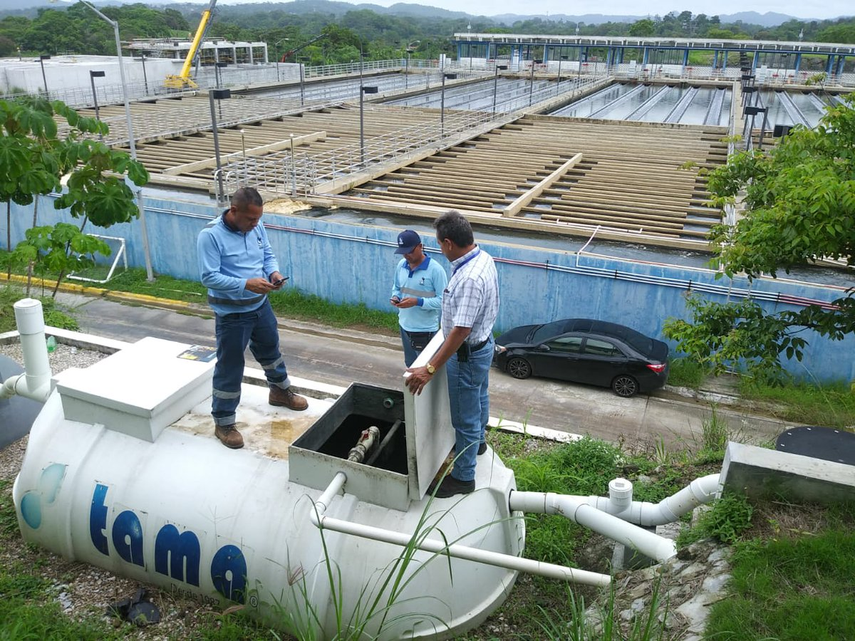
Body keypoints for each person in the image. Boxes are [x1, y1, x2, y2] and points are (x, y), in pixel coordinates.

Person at [197, 187, 308, 450]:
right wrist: (245, 284)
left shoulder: (256, 227)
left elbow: (267, 255)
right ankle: (223, 422)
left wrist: (274, 274)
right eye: (250, 219)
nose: (255, 224)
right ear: (234, 211)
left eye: (258, 219)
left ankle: (280, 391)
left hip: (260, 306)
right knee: (230, 365)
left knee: (271, 350)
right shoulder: (210, 236)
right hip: (232, 314)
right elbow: (209, 277)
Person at [405, 211, 499, 498]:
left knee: (464, 417)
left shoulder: (469, 278)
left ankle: (463, 477)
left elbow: (460, 331)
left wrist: (430, 368)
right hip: (483, 347)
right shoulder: (482, 258)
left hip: (467, 355)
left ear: (447, 243)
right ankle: (478, 444)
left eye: (438, 243)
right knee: (479, 398)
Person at [391, 229, 448, 367]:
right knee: (410, 365)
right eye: (403, 252)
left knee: (424, 368)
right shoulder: (401, 266)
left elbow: (444, 301)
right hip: (404, 325)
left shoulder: (436, 270)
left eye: (410, 251)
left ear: (420, 246)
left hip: (424, 330)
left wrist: (417, 302)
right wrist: (395, 296)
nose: (406, 256)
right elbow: (397, 287)